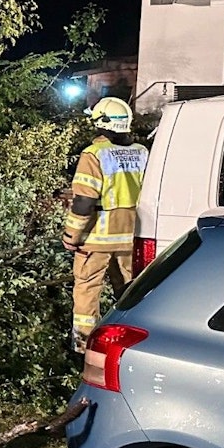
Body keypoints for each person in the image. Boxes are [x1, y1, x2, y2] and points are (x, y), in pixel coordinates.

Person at [63, 97, 148, 353]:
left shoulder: (93, 154)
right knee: (131, 292)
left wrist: (71, 235)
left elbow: (84, 201)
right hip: (132, 236)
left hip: (97, 238)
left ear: (101, 123)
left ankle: (83, 348)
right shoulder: (142, 152)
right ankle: (129, 344)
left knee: (87, 291)